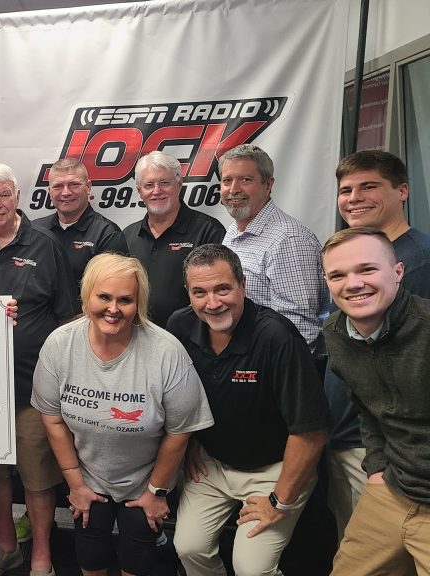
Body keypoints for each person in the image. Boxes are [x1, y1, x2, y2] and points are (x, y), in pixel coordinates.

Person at [33, 253, 213, 576]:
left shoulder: (166, 353)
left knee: (137, 557)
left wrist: (157, 492)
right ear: (87, 296)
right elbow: (53, 418)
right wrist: (75, 484)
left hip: (146, 478)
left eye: (125, 300)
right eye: (104, 297)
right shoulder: (59, 346)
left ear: (138, 303)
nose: (113, 309)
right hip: (88, 475)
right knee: (90, 555)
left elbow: (180, 431)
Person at [167, 244, 329, 576]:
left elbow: (310, 432)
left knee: (251, 568)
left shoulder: (276, 337)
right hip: (212, 464)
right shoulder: (180, 327)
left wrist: (279, 501)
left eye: (222, 289)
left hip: (273, 470)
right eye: (200, 292)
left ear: (242, 284)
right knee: (188, 547)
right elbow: (173, 399)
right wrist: (189, 444)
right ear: (188, 294)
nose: (212, 303)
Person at [0, 163, 79, 576]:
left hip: (32, 390)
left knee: (38, 478)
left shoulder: (45, 245)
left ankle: (41, 555)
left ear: (18, 196)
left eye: (3, 195)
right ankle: (7, 547)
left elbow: (67, 320)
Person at [323, 150, 430, 541]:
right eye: (346, 189)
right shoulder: (352, 251)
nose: (354, 198)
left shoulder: (418, 262)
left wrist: (381, 464)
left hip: (385, 458)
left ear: (402, 191)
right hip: (359, 441)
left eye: (369, 186)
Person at [217, 144, 327, 353]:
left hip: (272, 368)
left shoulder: (289, 239)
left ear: (268, 185)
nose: (234, 189)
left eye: (245, 180)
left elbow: (299, 327)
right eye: (227, 180)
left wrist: (270, 373)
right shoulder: (233, 230)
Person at [123, 151, 225, 326]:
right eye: (149, 185)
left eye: (164, 182)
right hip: (135, 338)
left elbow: (217, 294)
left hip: (190, 341)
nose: (157, 191)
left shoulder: (208, 231)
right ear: (140, 191)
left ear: (179, 183)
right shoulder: (127, 236)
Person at [33, 157, 128, 302]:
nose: (66, 192)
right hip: (41, 321)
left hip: (85, 322)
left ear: (88, 187)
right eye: (58, 186)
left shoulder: (107, 234)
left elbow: (115, 294)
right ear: (49, 191)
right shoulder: (35, 230)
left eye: (74, 185)